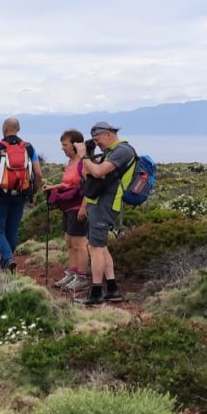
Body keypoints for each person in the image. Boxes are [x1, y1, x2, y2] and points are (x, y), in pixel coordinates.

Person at [75, 121, 137, 306]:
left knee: (95, 248)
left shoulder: (123, 151)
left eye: (98, 139)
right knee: (101, 247)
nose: (97, 142)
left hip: (106, 204)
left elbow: (99, 171)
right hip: (98, 203)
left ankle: (96, 293)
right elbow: (89, 175)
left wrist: (84, 155)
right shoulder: (110, 152)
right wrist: (89, 155)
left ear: (108, 134)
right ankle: (111, 289)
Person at [0, 117, 43, 272]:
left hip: (0, 195)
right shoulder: (29, 148)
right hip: (21, 194)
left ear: (4, 129)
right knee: (12, 230)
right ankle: (5, 266)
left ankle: (8, 258)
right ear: (18, 129)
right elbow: (38, 174)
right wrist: (33, 194)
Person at [40, 130, 90, 291]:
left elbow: (88, 187)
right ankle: (72, 273)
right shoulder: (71, 163)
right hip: (68, 208)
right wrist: (52, 187)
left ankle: (81, 277)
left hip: (77, 207)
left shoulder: (84, 163)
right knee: (69, 242)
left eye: (65, 145)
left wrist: (84, 208)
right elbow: (68, 183)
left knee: (79, 243)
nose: (63, 148)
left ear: (75, 145)